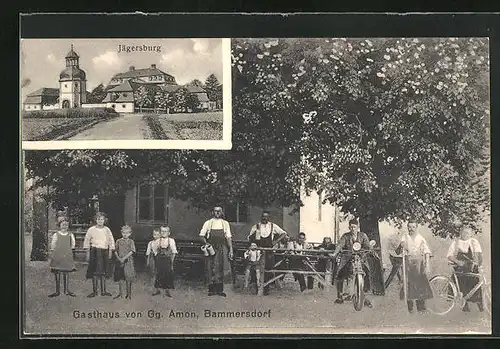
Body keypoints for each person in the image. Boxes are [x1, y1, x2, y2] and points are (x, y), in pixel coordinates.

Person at [331, 218, 373, 307]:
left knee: (367, 271)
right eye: (351, 227)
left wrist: (369, 250)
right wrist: (335, 253)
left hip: (361, 258)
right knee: (340, 272)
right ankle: (340, 296)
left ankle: (365, 294)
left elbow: (368, 246)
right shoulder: (346, 236)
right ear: (349, 227)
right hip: (347, 258)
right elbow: (340, 245)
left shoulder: (363, 236)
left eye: (354, 227)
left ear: (357, 227)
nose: (353, 229)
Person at [247, 210, 288, 295]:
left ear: (268, 218)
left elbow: (284, 233)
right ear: (261, 217)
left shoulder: (273, 226)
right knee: (256, 269)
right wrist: (254, 238)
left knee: (268, 269)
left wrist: (275, 242)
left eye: (266, 217)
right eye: (263, 216)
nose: (264, 218)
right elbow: (249, 238)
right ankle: (257, 287)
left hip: (269, 251)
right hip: (258, 251)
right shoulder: (256, 226)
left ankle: (266, 288)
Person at [397, 219, 433, 314]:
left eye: (413, 227)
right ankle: (410, 308)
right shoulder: (405, 237)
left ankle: (421, 308)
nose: (411, 229)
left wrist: (427, 265)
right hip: (408, 263)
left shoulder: (420, 238)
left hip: (418, 264)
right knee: (408, 284)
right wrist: (401, 246)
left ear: (416, 228)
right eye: (409, 227)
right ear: (407, 227)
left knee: (420, 285)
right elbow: (400, 250)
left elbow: (426, 252)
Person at [446, 225, 484, 312]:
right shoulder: (455, 243)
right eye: (463, 232)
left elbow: (479, 255)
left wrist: (479, 264)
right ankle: (465, 306)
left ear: (471, 234)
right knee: (462, 285)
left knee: (476, 285)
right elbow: (449, 256)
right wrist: (457, 261)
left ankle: (480, 306)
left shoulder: (474, 242)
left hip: (472, 267)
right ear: (460, 233)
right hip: (460, 267)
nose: (465, 234)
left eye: (467, 233)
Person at [200, 206, 233, 297]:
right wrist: (206, 244)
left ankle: (219, 290)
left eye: (219, 211)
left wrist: (231, 249)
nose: (217, 212)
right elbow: (201, 235)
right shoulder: (208, 223)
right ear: (213, 212)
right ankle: (211, 290)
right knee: (210, 267)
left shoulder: (225, 223)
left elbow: (229, 237)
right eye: (215, 211)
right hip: (211, 248)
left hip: (222, 247)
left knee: (221, 268)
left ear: (222, 212)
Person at [83, 212, 115, 298]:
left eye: (101, 219)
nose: (100, 221)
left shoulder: (107, 230)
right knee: (94, 272)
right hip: (94, 251)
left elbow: (111, 241)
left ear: (104, 220)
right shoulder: (91, 230)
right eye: (98, 219)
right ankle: (94, 291)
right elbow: (87, 240)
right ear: (95, 220)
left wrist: (110, 251)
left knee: (103, 272)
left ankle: (104, 291)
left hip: (104, 251)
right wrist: (87, 253)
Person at [48, 216, 76, 297]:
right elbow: (53, 244)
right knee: (57, 272)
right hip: (58, 255)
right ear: (59, 225)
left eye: (66, 225)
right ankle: (57, 291)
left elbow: (73, 244)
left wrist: (70, 250)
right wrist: (53, 251)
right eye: (63, 225)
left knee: (66, 272)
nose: (64, 226)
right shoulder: (56, 235)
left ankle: (66, 290)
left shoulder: (70, 234)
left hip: (67, 255)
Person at [152, 226, 177, 297]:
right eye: (162, 231)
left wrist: (171, 261)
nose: (163, 233)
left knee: (168, 274)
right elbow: (154, 249)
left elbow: (174, 252)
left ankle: (167, 291)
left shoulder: (171, 241)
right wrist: (157, 256)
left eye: (165, 231)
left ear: (169, 233)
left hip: (168, 260)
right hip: (159, 260)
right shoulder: (158, 240)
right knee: (158, 274)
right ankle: (157, 290)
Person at [113, 225, 136, 299]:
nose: (125, 234)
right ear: (121, 233)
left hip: (128, 261)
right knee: (120, 278)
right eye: (123, 233)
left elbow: (132, 251)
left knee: (128, 277)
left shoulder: (131, 241)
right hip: (119, 261)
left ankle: (129, 294)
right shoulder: (118, 241)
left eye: (127, 233)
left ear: (130, 233)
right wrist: (119, 258)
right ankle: (120, 293)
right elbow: (115, 251)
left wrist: (124, 258)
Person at [145, 229, 161, 293]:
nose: (156, 236)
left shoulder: (162, 242)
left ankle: (159, 288)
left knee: (159, 273)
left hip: (159, 258)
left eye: (157, 235)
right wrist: (148, 261)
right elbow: (148, 253)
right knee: (152, 274)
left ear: (160, 235)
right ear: (152, 235)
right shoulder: (150, 243)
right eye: (154, 234)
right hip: (152, 258)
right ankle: (154, 288)